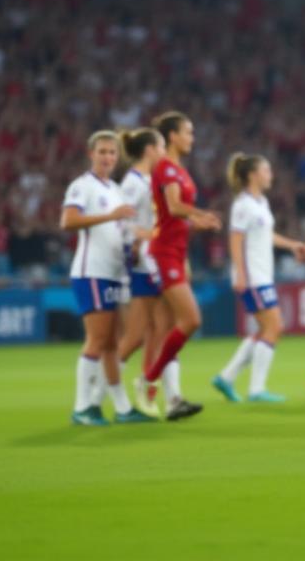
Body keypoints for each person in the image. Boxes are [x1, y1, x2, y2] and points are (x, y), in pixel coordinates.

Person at [61, 132, 155, 425]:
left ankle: (122, 408)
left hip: (113, 274)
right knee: (97, 340)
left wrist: (133, 247)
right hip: (92, 271)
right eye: (102, 151)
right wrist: (109, 216)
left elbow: (120, 229)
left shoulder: (115, 189)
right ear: (91, 154)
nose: (108, 157)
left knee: (113, 344)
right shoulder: (82, 186)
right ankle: (82, 408)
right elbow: (68, 221)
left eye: (112, 152)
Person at [142, 112, 221, 421]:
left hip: (176, 252)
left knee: (166, 329)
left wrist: (197, 224)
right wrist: (200, 214)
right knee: (190, 320)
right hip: (164, 253)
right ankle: (147, 380)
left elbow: (174, 219)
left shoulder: (178, 170)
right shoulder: (165, 167)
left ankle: (172, 399)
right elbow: (174, 208)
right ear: (172, 136)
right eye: (188, 132)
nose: (192, 138)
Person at [212, 153, 305, 404]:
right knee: (274, 327)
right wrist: (241, 274)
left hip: (262, 275)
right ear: (253, 175)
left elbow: (266, 235)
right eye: (266, 170)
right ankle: (256, 389)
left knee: (265, 329)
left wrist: (292, 245)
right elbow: (236, 240)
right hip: (252, 277)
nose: (270, 175)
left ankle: (226, 377)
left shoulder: (261, 202)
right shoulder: (242, 205)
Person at [115, 127, 168, 417]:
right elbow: (121, 224)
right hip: (142, 264)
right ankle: (97, 390)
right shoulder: (133, 183)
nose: (164, 153)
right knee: (136, 335)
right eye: (161, 147)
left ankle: (148, 387)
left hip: (154, 261)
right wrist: (149, 236)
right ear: (149, 150)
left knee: (160, 329)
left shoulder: (148, 179)